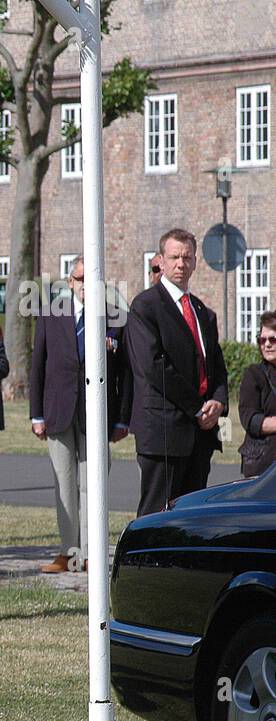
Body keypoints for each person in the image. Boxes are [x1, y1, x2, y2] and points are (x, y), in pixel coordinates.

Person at [30, 256, 129, 572]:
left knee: (91, 483)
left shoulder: (114, 316)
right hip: (58, 410)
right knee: (64, 482)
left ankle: (90, 554)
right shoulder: (50, 314)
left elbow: (125, 373)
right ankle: (67, 552)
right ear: (70, 282)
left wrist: (122, 419)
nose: (87, 284)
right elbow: (37, 366)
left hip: (97, 413)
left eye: (93, 278)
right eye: (80, 278)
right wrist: (36, 415)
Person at [124, 229, 228, 515]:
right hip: (164, 433)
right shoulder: (145, 306)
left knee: (192, 517)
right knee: (156, 516)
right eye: (174, 257)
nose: (181, 263)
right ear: (161, 260)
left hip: (200, 435)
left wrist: (218, 402)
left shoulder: (202, 312)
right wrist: (198, 408)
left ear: (195, 262)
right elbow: (155, 367)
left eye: (187, 257)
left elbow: (216, 366)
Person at [236, 311, 276, 477]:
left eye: (273, 339)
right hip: (262, 463)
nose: (266, 344)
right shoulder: (253, 374)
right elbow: (250, 420)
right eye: (262, 340)